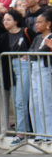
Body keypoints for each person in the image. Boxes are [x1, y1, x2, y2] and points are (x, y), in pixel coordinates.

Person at [0, 9, 36, 145]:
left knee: (21, 101)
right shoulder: (4, 37)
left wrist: (29, 55)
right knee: (18, 101)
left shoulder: (26, 32)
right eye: (4, 20)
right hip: (11, 71)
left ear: (16, 21)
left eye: (8, 20)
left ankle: (21, 132)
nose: (5, 22)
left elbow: (37, 45)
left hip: (25, 67)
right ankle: (24, 130)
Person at [29, 10, 52, 142]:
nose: (36, 25)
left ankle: (49, 132)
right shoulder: (38, 38)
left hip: (45, 70)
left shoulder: (50, 37)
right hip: (35, 70)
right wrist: (33, 53)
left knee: (45, 102)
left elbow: (39, 52)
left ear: (48, 24)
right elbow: (31, 51)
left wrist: (33, 53)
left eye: (40, 22)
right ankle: (39, 133)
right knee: (34, 103)